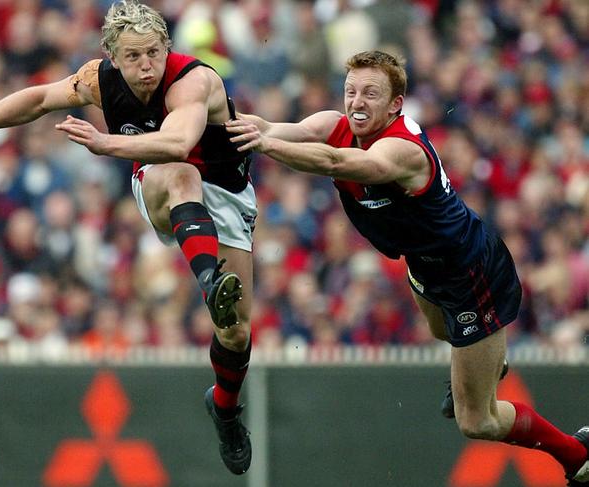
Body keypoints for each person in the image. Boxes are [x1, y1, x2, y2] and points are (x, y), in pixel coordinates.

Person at [226, 50, 589, 485]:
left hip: (472, 274)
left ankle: (576, 454)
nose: (357, 102)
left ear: (396, 103)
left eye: (371, 94)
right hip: (424, 263)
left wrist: (265, 146)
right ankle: (488, 361)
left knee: (477, 420)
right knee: (440, 333)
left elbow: (337, 163)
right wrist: (218, 120)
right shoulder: (336, 126)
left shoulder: (402, 150)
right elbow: (272, 127)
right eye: (351, 91)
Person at [0, 0, 253, 475]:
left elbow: (176, 140)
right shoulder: (96, 79)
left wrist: (107, 144)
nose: (146, 66)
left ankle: (225, 409)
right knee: (181, 176)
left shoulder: (195, 80)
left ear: (167, 47)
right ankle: (210, 281)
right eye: (132, 57)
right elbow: (38, 99)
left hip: (227, 194)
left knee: (236, 332)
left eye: (153, 53)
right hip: (166, 181)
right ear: (111, 55)